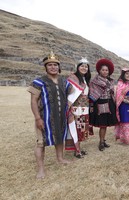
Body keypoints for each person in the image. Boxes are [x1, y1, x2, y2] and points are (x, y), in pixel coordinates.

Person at [27, 51, 73, 179]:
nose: (53, 67)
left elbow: (71, 95)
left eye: (55, 64)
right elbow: (33, 101)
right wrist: (37, 118)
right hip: (44, 118)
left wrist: (70, 110)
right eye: (50, 65)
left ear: (59, 67)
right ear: (45, 67)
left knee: (59, 137)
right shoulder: (38, 82)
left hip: (61, 117)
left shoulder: (65, 82)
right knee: (41, 142)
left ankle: (60, 158)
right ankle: (41, 168)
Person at [89, 58, 118, 151]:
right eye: (103, 70)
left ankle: (103, 140)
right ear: (99, 71)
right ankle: (101, 142)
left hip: (109, 103)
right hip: (100, 103)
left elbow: (112, 92)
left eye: (106, 70)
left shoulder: (111, 81)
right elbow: (93, 94)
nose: (105, 71)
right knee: (102, 125)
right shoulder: (95, 81)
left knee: (105, 125)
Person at [65, 57, 91, 158]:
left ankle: (78, 147)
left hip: (84, 109)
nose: (84, 68)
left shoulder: (85, 79)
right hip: (76, 109)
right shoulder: (72, 78)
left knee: (82, 129)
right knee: (76, 128)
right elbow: (69, 92)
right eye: (82, 66)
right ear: (78, 67)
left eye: (86, 67)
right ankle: (77, 150)